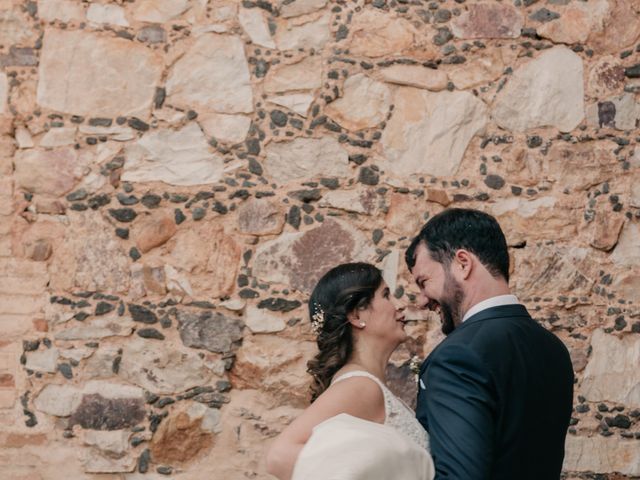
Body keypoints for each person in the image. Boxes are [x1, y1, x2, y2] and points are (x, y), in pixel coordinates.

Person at [405, 208, 574, 480]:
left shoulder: (456, 357)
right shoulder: (553, 347)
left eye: (424, 282)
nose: (423, 300)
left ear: (462, 263)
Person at [265, 263, 434, 480]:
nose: (399, 305)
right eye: (386, 295)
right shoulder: (360, 386)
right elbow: (280, 456)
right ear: (356, 315)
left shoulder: (367, 386)